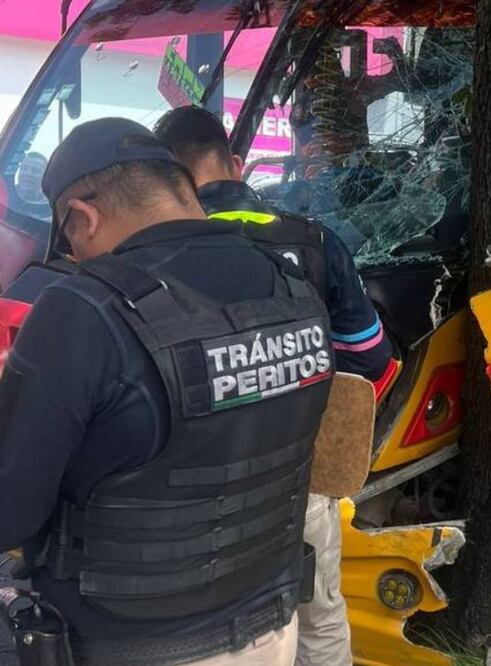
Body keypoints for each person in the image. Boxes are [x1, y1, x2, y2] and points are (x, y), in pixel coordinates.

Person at [0, 117, 334, 665]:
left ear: (82, 218)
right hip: (272, 632)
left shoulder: (80, 310)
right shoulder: (293, 286)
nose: (74, 260)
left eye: (66, 243)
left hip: (132, 647)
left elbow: (10, 511)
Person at [154, 105, 396, 666]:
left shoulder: (147, 255)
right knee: (318, 615)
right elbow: (371, 360)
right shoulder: (314, 243)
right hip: (299, 475)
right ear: (236, 164)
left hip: (182, 487)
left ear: (160, 179)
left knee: (206, 637)